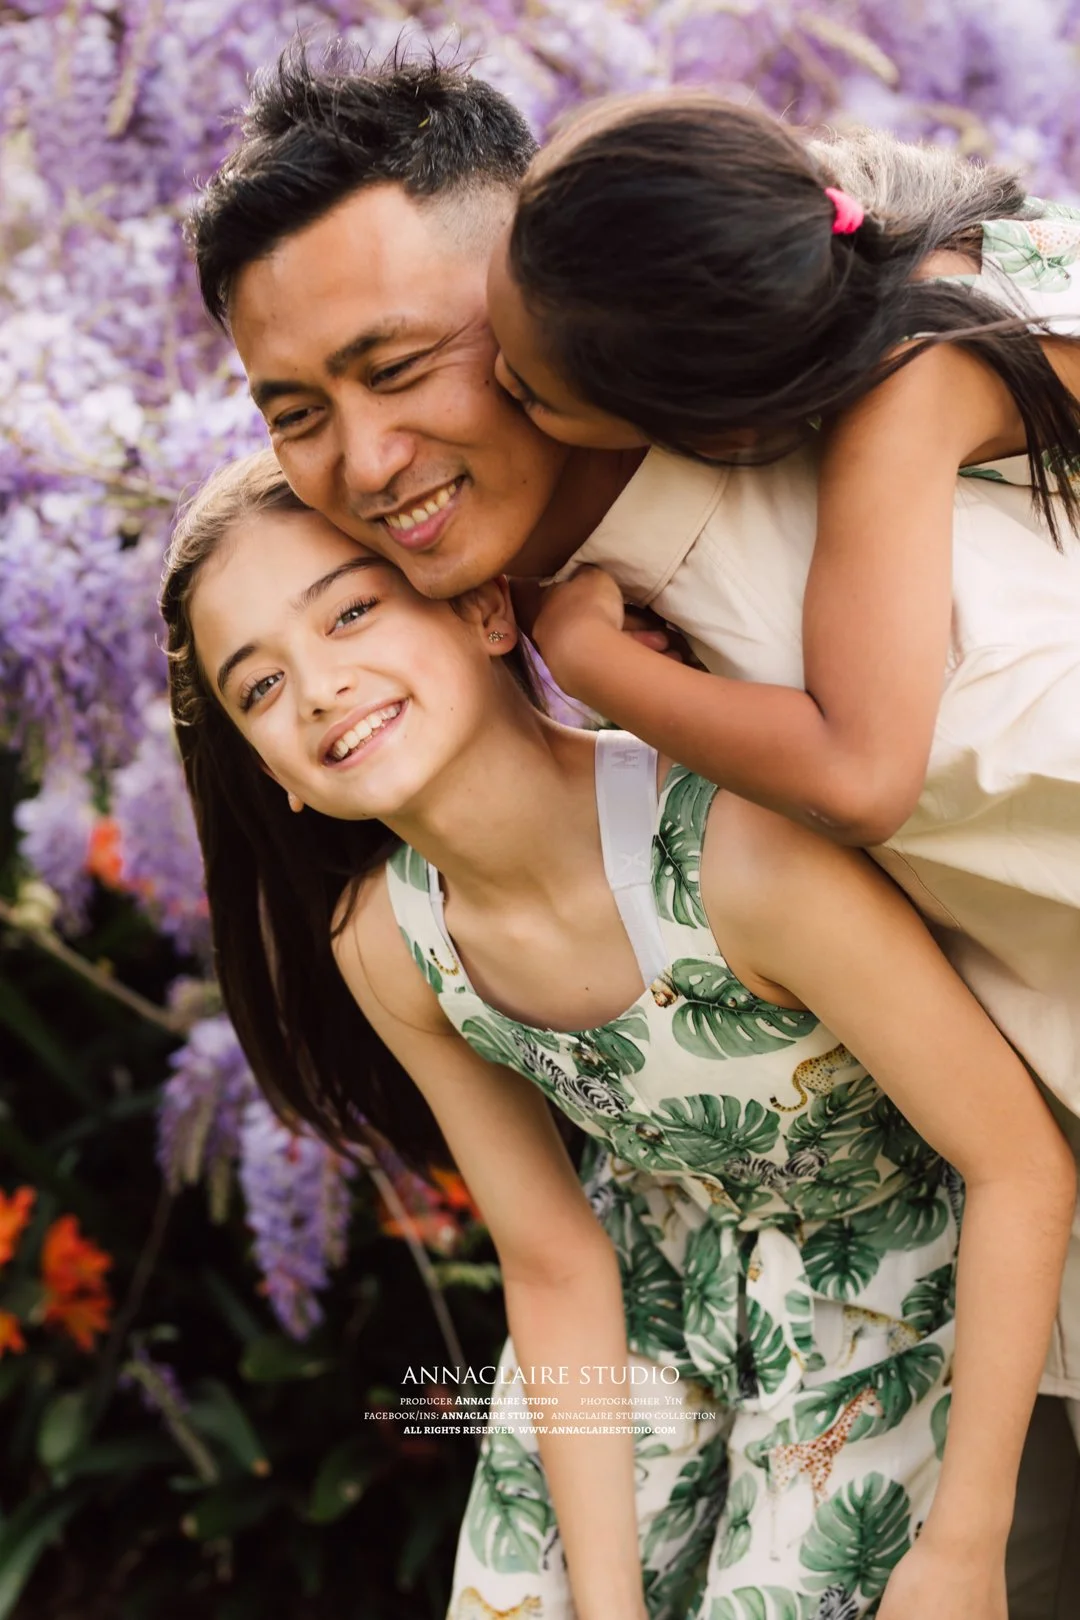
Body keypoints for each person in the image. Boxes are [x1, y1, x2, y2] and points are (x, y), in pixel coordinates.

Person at [186, 49, 1080, 1606]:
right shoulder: (513, 655)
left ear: (536, 283)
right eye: (297, 412)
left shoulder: (879, 463)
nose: (367, 461)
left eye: (400, 368)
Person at [486, 92, 1080, 849]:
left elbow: (861, 778)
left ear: (720, 433)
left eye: (532, 395)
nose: (494, 378)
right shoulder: (809, 234)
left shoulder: (914, 382)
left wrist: (586, 656)